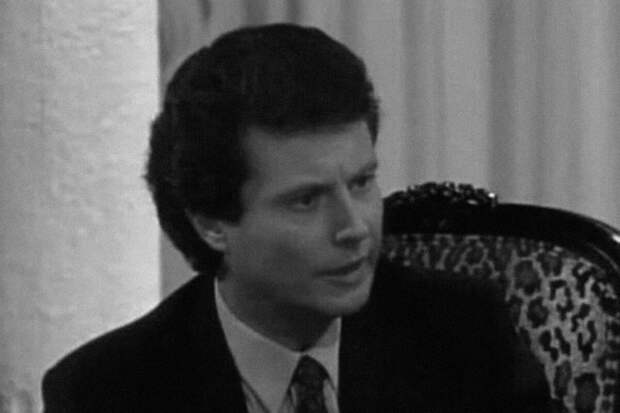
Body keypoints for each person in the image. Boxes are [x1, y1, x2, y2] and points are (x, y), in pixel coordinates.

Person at [42, 23, 550, 412]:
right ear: (211, 225)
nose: (354, 227)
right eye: (306, 200)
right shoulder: (106, 391)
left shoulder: (462, 336)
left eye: (361, 182)